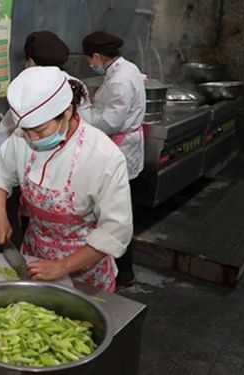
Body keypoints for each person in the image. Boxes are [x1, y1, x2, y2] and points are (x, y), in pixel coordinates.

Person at [0, 67, 133, 292]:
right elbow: (0, 174)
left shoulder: (103, 157)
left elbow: (115, 231)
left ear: (68, 112)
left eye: (40, 132)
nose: (32, 138)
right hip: (33, 256)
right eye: (27, 131)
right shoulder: (21, 138)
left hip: (85, 268)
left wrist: (63, 266)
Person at [80, 31, 147, 285]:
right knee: (119, 206)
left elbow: (110, 121)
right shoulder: (127, 68)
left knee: (116, 209)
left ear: (97, 56)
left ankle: (123, 271)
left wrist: (83, 112)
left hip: (121, 146)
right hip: (125, 143)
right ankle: (120, 267)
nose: (90, 64)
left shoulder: (119, 79)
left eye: (90, 59)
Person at [0, 31, 90, 163]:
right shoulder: (76, 83)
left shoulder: (34, 89)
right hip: (76, 155)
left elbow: (7, 130)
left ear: (30, 61)